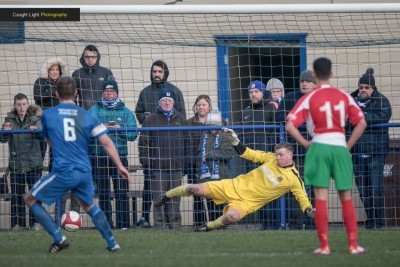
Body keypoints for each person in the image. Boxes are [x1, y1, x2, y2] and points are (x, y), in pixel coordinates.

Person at [24, 76, 130, 253]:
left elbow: (49, 140)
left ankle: (59, 238)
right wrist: (120, 165)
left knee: (30, 199)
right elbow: (107, 142)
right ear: (76, 93)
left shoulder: (48, 115)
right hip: (84, 171)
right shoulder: (88, 116)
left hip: (64, 171)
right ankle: (112, 243)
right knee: (89, 206)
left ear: (56, 93)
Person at [153, 129, 314, 232]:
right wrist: (235, 141)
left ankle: (208, 227)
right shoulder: (270, 158)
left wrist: (309, 210)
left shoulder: (293, 178)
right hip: (232, 185)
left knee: (231, 218)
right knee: (193, 189)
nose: (277, 157)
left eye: (281, 155)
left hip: (246, 204)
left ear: (290, 156)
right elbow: (249, 154)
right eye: (276, 154)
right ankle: (166, 196)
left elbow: (302, 197)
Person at [285, 57, 367, 255]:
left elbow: (289, 125)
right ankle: (353, 245)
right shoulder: (344, 96)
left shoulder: (309, 98)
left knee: (320, 197)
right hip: (339, 146)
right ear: (331, 74)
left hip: (319, 146)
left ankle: (324, 246)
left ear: (314, 75)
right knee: (345, 197)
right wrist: (347, 145)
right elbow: (362, 123)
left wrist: (305, 143)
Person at [135, 60, 186, 228]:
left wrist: (185, 163)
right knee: (157, 197)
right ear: (159, 102)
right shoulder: (150, 117)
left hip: (176, 165)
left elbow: (187, 142)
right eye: (154, 71)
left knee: (174, 198)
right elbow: (143, 143)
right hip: (156, 166)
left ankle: (175, 225)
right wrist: (148, 163)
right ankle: (158, 225)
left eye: (160, 72)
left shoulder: (180, 118)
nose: (156, 74)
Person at [33, 57, 81, 216]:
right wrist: (55, 94)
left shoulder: (66, 84)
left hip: (59, 129)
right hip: (44, 124)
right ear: (48, 71)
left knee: (58, 161)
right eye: (52, 70)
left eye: (57, 70)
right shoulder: (40, 82)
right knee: (40, 159)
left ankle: (62, 213)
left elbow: (70, 99)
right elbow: (38, 97)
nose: (54, 72)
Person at [89, 79, 138, 230]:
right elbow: (86, 130)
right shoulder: (94, 110)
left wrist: (120, 129)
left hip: (120, 156)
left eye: (112, 91)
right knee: (103, 193)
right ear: (102, 93)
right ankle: (106, 224)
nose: (109, 94)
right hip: (99, 157)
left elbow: (133, 134)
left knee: (121, 191)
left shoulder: (126, 112)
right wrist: (99, 129)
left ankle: (123, 224)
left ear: (117, 93)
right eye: (106, 91)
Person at [350, 68, 392, 229]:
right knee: (363, 190)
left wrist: (359, 117)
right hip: (357, 152)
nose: (363, 90)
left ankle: (379, 222)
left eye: (367, 87)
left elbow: (382, 116)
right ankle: (371, 219)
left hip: (376, 152)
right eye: (361, 87)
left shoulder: (382, 101)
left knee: (376, 189)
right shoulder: (351, 101)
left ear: (373, 88)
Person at [275, 70, 318, 230]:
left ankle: (315, 222)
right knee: (295, 188)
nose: (304, 84)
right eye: (302, 81)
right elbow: (278, 116)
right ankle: (295, 223)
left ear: (315, 84)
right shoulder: (291, 97)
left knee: (316, 188)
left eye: (307, 81)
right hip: (295, 152)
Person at [1, 93, 43, 231]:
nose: (21, 107)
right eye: (18, 105)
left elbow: (42, 134)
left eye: (24, 104)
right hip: (16, 165)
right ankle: (17, 224)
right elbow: (3, 139)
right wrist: (5, 131)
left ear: (28, 104)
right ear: (14, 106)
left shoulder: (35, 118)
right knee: (16, 197)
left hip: (33, 165)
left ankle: (35, 224)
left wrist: (36, 130)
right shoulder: (9, 119)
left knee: (34, 195)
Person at [241, 80, 278, 229]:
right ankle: (264, 223)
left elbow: (276, 132)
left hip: (268, 159)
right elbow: (243, 133)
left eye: (256, 91)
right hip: (251, 159)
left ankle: (274, 223)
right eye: (251, 92)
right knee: (257, 191)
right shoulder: (246, 111)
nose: (253, 94)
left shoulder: (272, 106)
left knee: (271, 189)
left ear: (263, 92)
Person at [197, 109, 234, 222]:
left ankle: (221, 224)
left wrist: (211, 155)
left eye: (215, 125)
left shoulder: (225, 135)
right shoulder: (204, 136)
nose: (213, 127)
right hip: (206, 176)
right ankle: (212, 224)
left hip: (221, 176)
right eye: (210, 124)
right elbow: (199, 153)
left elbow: (228, 153)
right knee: (209, 203)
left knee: (220, 203)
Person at [186, 94, 213, 227]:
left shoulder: (216, 122)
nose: (201, 107)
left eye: (204, 104)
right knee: (196, 194)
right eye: (199, 105)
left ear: (209, 107)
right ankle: (199, 223)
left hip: (211, 165)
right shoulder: (188, 123)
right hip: (193, 164)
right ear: (195, 107)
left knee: (213, 194)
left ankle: (215, 222)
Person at [72, 44, 114, 110]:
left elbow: (113, 93)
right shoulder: (77, 74)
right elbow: (72, 96)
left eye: (93, 57)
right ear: (83, 57)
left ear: (97, 57)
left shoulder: (106, 72)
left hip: (102, 113)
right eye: (87, 57)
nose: (90, 59)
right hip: (84, 113)